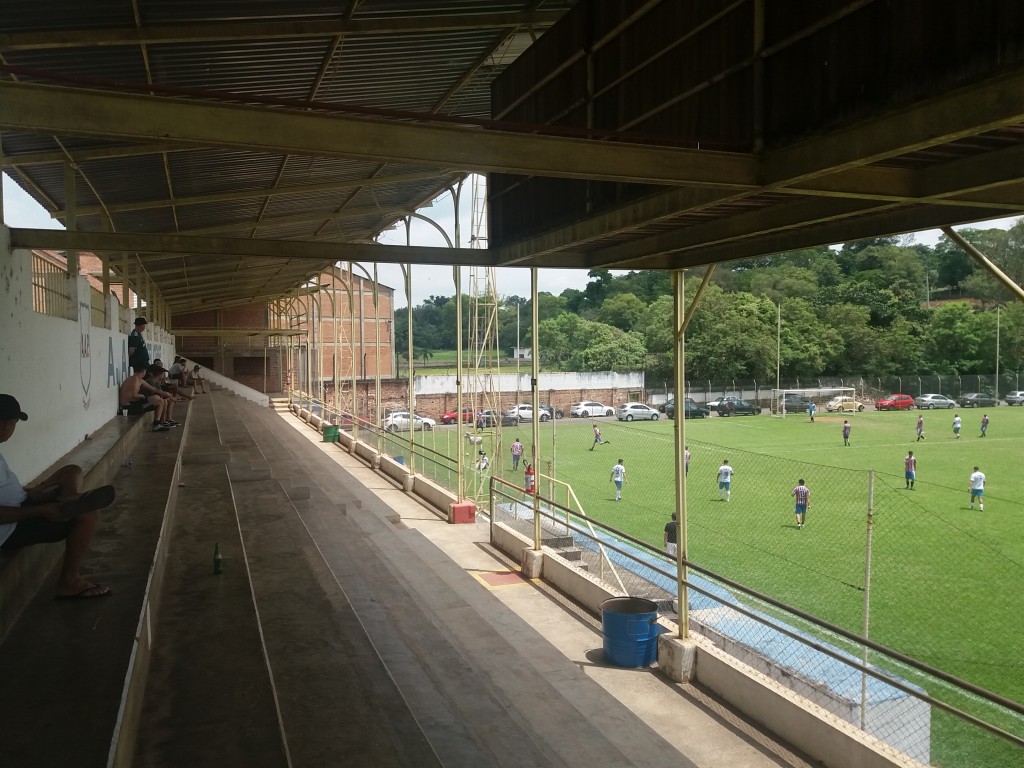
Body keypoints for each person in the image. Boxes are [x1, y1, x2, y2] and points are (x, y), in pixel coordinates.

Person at [0, 394, 115, 599]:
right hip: (11, 527)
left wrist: (33, 491)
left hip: (21, 501)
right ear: (6, 425)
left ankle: (69, 498)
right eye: (15, 422)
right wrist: (41, 509)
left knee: (71, 470)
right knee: (88, 515)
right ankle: (69, 582)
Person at [119, 365, 175, 431]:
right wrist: (143, 396)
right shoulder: (135, 379)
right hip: (128, 407)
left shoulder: (139, 380)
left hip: (133, 404)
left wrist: (167, 394)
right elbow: (134, 395)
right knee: (158, 399)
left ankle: (158, 423)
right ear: (143, 371)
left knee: (159, 399)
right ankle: (157, 424)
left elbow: (154, 390)